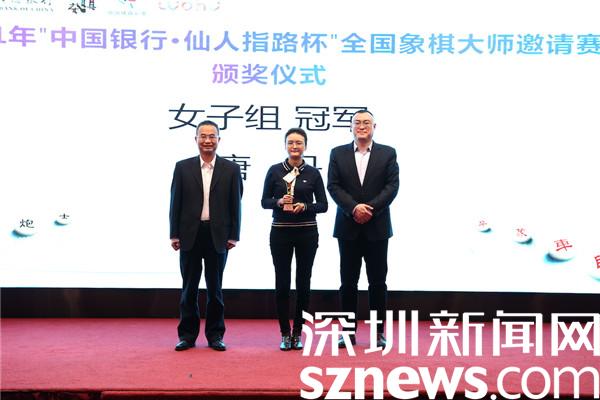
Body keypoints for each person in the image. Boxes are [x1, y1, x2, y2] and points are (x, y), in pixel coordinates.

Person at [327, 110, 399, 348]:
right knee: (348, 283)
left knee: (378, 283)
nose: (361, 126)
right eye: (357, 122)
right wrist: (354, 208)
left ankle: (378, 332)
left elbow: (392, 186)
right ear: (351, 127)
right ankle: (348, 332)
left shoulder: (388, 153)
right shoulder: (337, 153)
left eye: (366, 122)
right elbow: (333, 186)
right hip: (348, 226)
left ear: (374, 127)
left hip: (377, 227)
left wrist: (370, 209)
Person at [169, 120, 243, 352]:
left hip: (218, 235)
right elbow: (175, 202)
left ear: (219, 139)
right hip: (189, 234)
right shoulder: (182, 167)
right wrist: (174, 234)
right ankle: (187, 336)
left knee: (215, 289)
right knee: (189, 288)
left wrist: (234, 235)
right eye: (203, 136)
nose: (207, 140)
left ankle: (215, 335)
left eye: (212, 136)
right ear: (196, 139)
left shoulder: (231, 169)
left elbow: (236, 203)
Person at [261, 128, 328, 351]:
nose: (295, 146)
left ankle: (298, 332)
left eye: (299, 143)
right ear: (285, 145)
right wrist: (278, 202)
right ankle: (284, 333)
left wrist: (305, 206)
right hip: (280, 232)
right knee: (282, 283)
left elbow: (323, 205)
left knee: (303, 283)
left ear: (305, 146)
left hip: (307, 232)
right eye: (291, 142)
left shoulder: (313, 173)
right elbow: (264, 201)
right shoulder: (274, 171)